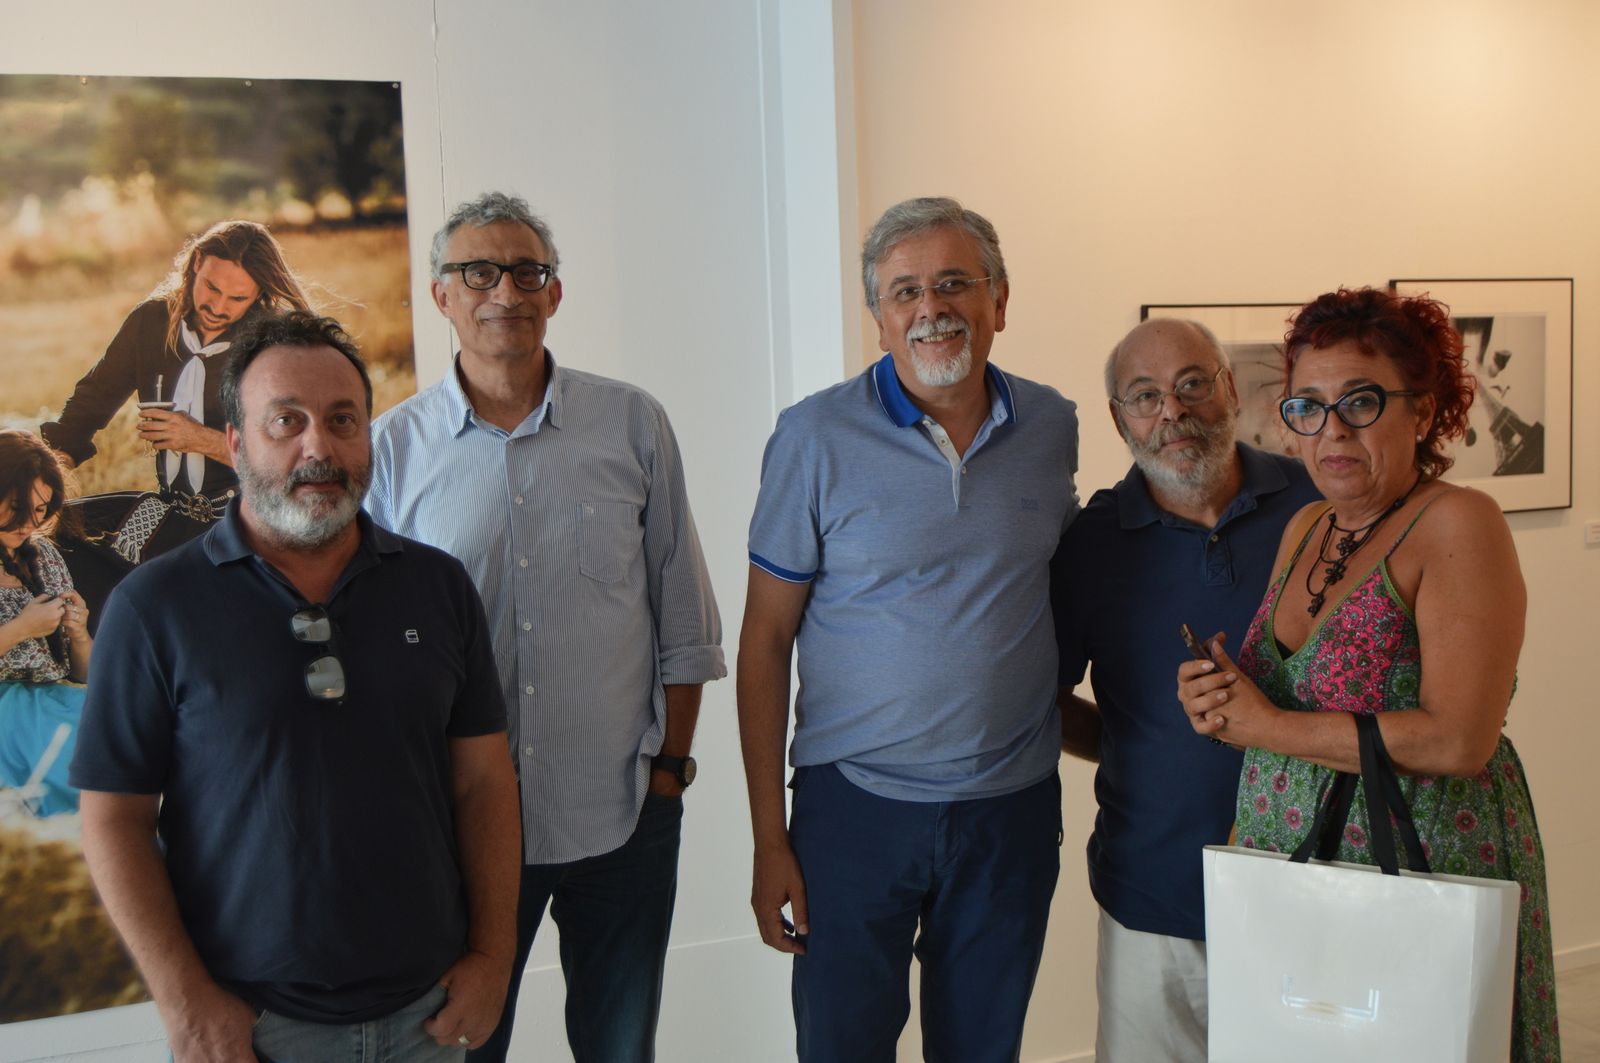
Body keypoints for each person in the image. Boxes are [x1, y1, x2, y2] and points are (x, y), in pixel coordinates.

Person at [69, 311, 521, 1062]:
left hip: (430, 1018)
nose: (320, 446)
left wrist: (494, 959)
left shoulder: (437, 587)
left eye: (344, 419)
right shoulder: (154, 608)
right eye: (287, 421)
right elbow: (114, 818)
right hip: (254, 1031)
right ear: (237, 444)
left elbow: (484, 783)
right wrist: (185, 1001)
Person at [368, 192, 726, 1063]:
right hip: (459, 828)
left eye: (528, 271)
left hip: (623, 817)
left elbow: (684, 616)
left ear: (554, 294)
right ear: (439, 294)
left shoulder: (632, 423)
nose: (506, 291)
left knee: (618, 1049)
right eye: (478, 272)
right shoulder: (391, 451)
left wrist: (670, 775)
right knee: (463, 1048)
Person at [1178, 286, 1560, 1061]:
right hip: (1293, 867)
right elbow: (1275, 700)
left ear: (1422, 412)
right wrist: (1219, 701)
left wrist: (1270, 727)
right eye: (1306, 407)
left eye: (1360, 401)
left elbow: (1459, 739)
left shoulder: (1458, 523)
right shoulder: (1308, 524)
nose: (1331, 431)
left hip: (1418, 869)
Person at [739, 196, 1078, 1062]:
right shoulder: (812, 437)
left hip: (1009, 810)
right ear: (880, 317)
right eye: (905, 291)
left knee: (982, 1048)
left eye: (955, 283)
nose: (931, 307)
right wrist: (769, 838)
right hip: (853, 812)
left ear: (1000, 299)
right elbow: (765, 641)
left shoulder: (1051, 426)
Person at [1054, 319, 1320, 1060]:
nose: (1171, 411)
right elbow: (1043, 699)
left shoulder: (1315, 502)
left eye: (1191, 384)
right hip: (1152, 896)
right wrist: (1136, 743)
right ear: (1119, 418)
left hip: (1315, 888)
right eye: (1144, 396)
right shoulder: (1091, 542)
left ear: (1230, 389)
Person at [41, 219, 313, 552]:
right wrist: (41, 482)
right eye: (211, 288)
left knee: (182, 588)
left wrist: (199, 439)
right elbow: (91, 402)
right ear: (197, 262)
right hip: (171, 509)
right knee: (52, 538)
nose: (218, 307)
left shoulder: (274, 344)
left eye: (237, 298)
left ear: (258, 294)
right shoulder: (151, 322)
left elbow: (290, 460)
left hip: (253, 523)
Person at [0, 431, 93, 816]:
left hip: (54, 697)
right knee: (76, 748)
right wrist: (22, 628)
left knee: (126, 717)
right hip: (9, 711)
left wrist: (79, 633)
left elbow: (84, 674)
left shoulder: (44, 556)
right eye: (17, 508)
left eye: (41, 511)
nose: (28, 524)